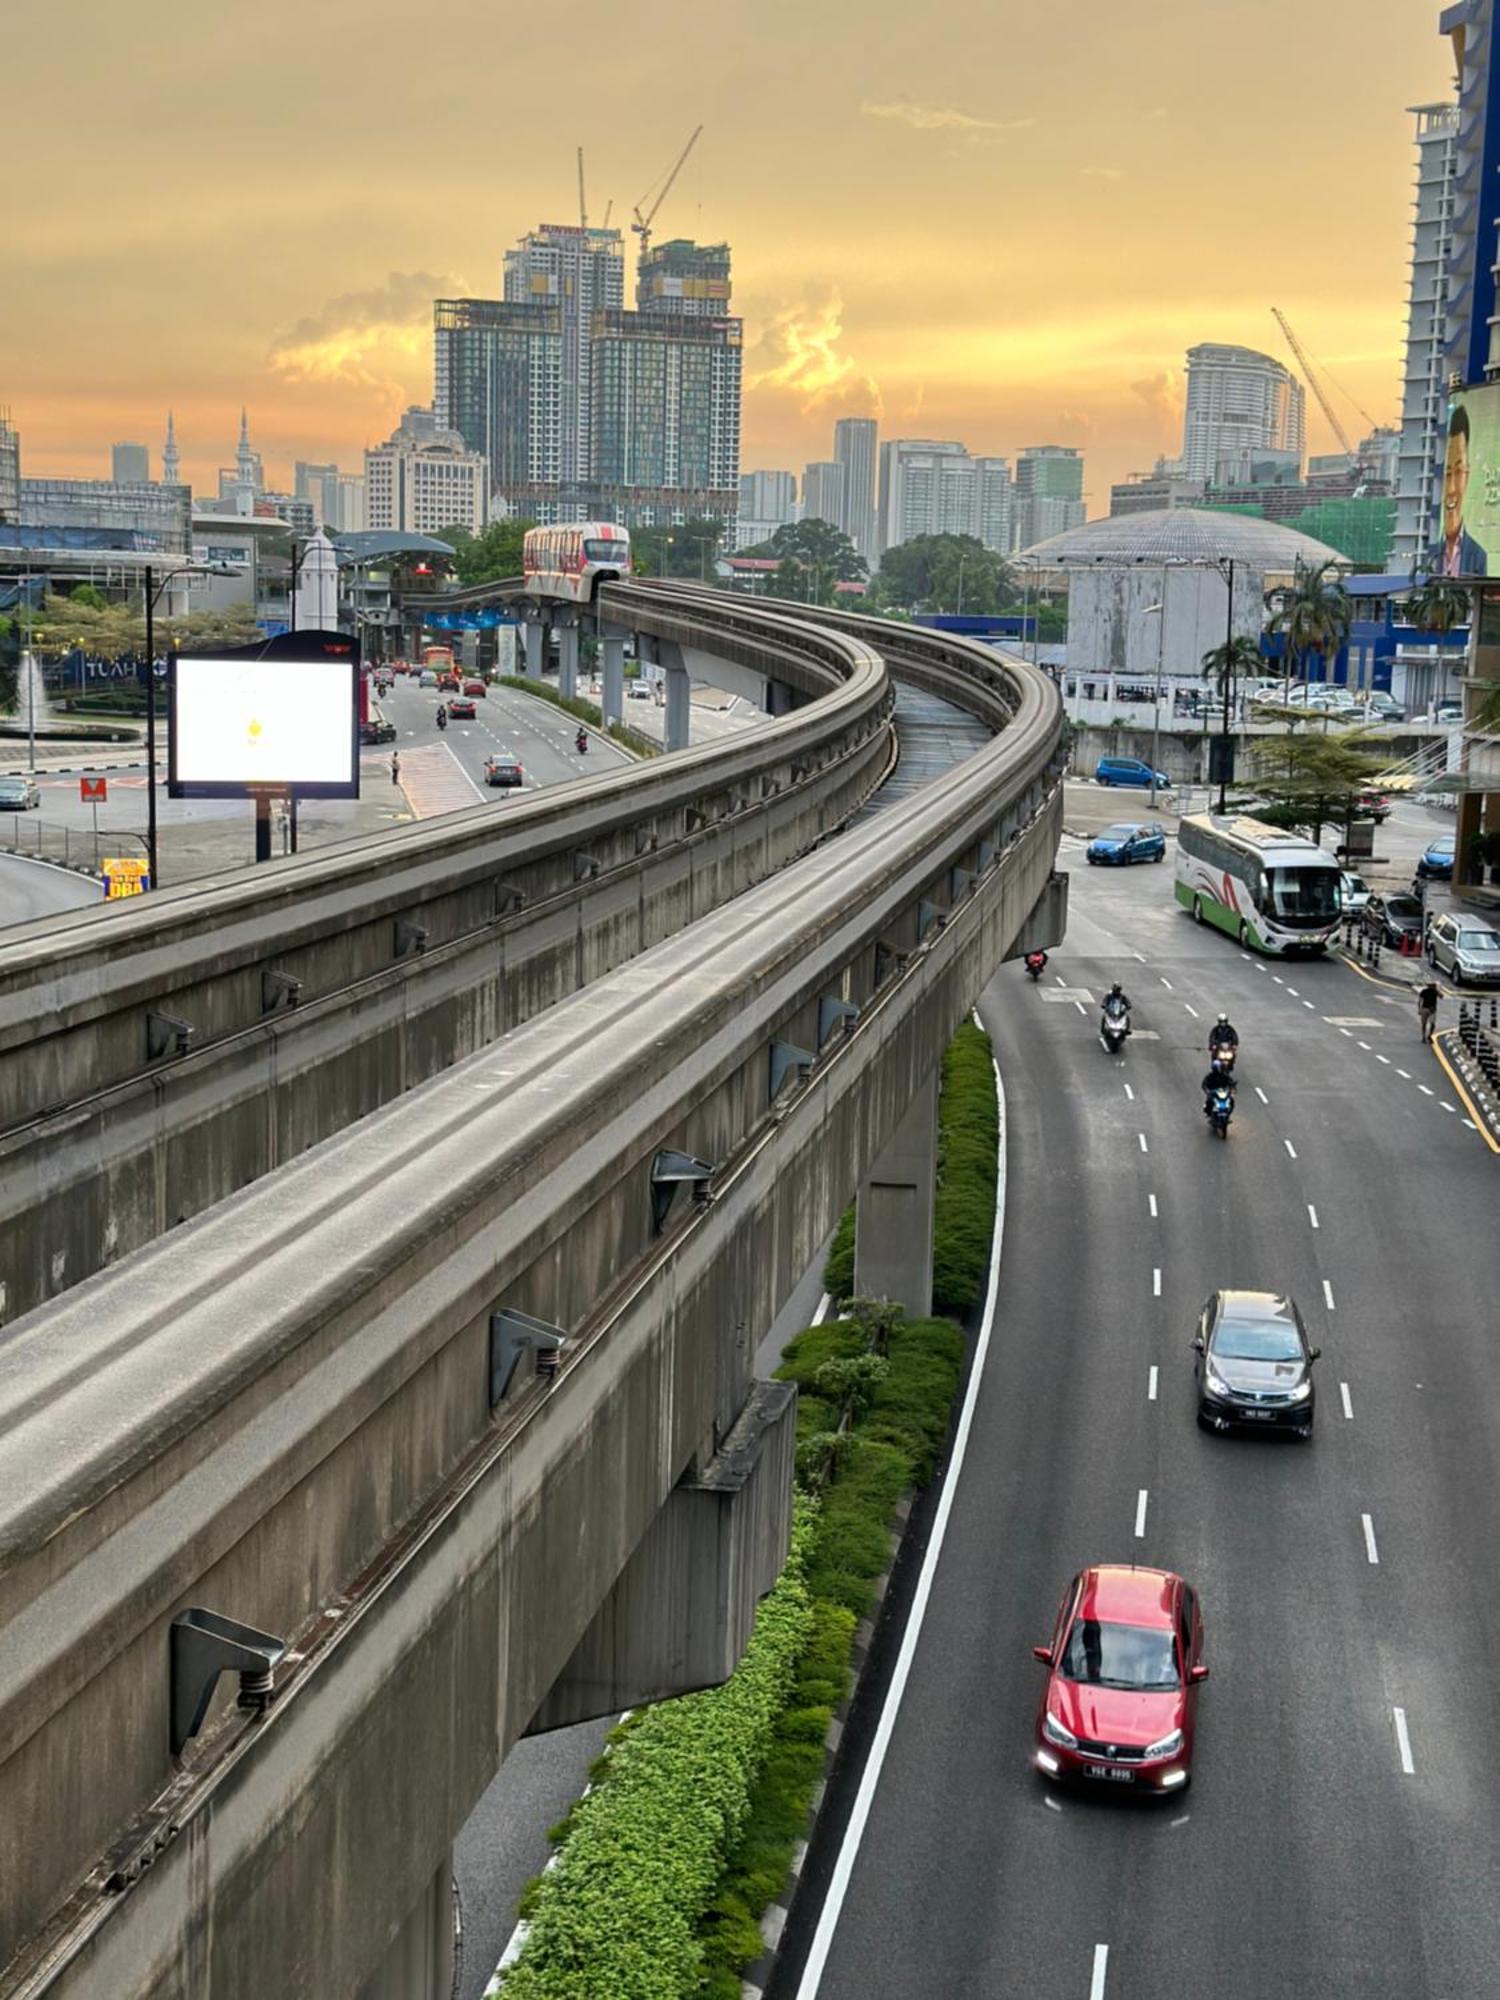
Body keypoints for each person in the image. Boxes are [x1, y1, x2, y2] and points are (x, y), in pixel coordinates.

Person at [1427, 404, 1489, 579]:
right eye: (1447, 473)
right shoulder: (1433, 557)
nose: (1452, 489)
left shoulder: (1479, 555)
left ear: (1467, 476)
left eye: (1459, 472)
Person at [1418, 980, 1439, 1044]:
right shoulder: (1424, 991)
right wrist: (1420, 1009)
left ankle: (1430, 1035)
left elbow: (1441, 996)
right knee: (1424, 1023)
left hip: (1432, 1010)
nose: (1433, 987)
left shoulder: (1435, 992)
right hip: (1425, 1008)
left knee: (1432, 1024)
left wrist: (1437, 990)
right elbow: (1420, 1000)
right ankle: (1423, 1036)